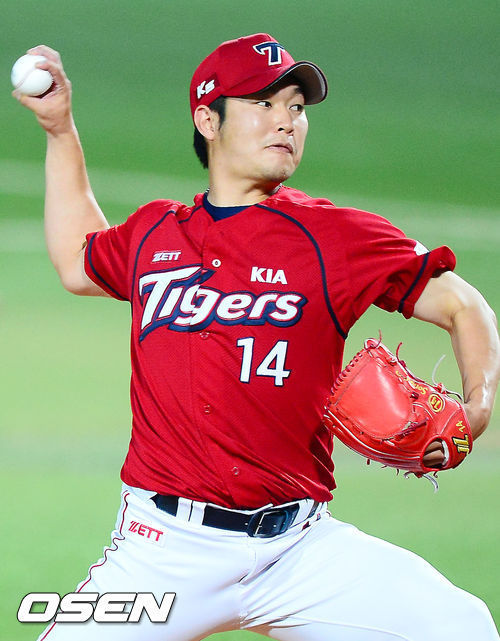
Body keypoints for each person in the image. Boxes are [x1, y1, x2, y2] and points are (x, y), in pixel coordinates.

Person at [14, 34, 499, 641]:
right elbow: (76, 259)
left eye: (296, 107)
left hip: (298, 552)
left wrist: (477, 405)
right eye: (263, 103)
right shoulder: (154, 234)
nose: (286, 121)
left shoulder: (336, 237)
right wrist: (59, 130)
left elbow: (463, 304)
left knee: (462, 627)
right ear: (207, 120)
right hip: (164, 552)